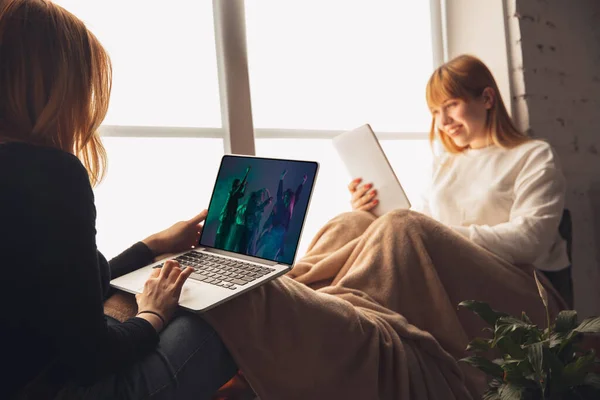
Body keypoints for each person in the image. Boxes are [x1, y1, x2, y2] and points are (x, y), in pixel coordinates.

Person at [0, 1, 236, 399]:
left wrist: (151, 247)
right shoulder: (48, 173)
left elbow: (54, 292)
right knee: (229, 310)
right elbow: (89, 356)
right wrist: (153, 315)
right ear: (53, 88)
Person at [348, 54, 570, 287]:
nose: (443, 121)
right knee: (349, 223)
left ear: (487, 98)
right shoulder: (443, 164)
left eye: (451, 105)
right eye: (435, 111)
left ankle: (337, 307)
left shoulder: (533, 155)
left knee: (403, 227)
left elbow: (530, 240)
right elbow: (417, 225)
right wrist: (372, 212)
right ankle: (315, 292)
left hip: (515, 281)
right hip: (447, 277)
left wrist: (436, 236)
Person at [255, 170, 307, 261]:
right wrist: (281, 179)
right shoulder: (281, 205)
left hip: (280, 233)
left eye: (288, 197)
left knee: (272, 254)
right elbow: (279, 194)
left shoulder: (290, 207)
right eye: (286, 196)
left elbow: (297, 195)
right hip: (275, 230)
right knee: (265, 250)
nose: (287, 198)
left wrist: (302, 183)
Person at [227, 188, 273, 254]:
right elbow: (257, 209)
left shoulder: (255, 203)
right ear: (257, 196)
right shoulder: (252, 203)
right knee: (244, 246)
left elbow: (259, 209)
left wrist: (267, 196)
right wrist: (267, 201)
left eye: (263, 195)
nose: (262, 197)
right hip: (248, 227)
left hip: (251, 227)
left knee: (247, 246)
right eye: (261, 195)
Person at [216, 166, 251, 250]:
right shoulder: (231, 192)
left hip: (231, 216)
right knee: (222, 234)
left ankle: (221, 249)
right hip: (227, 216)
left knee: (226, 234)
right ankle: (218, 247)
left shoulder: (234, 194)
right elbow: (240, 187)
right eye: (238, 184)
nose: (240, 185)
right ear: (236, 184)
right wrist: (247, 173)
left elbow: (242, 194)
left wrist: (245, 186)